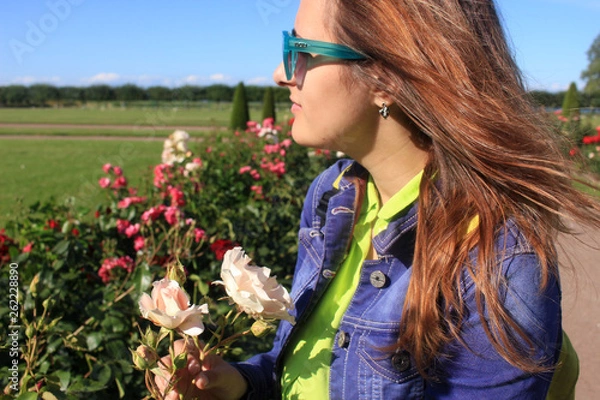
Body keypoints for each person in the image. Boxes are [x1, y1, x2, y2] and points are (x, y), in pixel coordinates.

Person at [154, 0, 599, 398]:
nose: (281, 72)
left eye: (303, 50)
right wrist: (241, 385)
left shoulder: (495, 260)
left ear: (386, 79)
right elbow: (304, 371)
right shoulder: (334, 196)